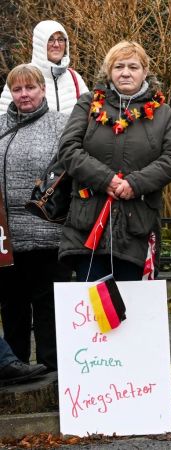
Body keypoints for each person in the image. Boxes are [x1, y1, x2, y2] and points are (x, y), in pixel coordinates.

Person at [57, 41, 171, 281]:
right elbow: (68, 148)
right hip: (89, 223)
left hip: (136, 224)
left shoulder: (162, 112)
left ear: (145, 71)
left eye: (133, 67)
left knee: (132, 310)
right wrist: (106, 180)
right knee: (93, 307)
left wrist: (134, 184)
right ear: (109, 71)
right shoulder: (88, 103)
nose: (126, 72)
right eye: (119, 66)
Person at [0, 64, 71, 371]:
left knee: (48, 308)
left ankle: (52, 372)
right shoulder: (0, 125)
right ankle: (15, 369)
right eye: (17, 89)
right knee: (12, 307)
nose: (24, 94)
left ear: (43, 89)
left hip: (49, 234)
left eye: (30, 88)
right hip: (8, 237)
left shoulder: (62, 124)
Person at [0, 20, 88, 115]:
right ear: (40, 44)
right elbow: (4, 121)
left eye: (61, 39)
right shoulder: (22, 76)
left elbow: (89, 113)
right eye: (50, 39)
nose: (56, 45)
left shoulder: (74, 77)